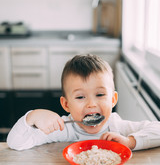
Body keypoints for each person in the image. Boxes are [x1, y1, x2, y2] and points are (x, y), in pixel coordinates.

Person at [7, 54, 160, 151]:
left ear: (113, 99)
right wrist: (32, 117)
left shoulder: (116, 126)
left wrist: (130, 141)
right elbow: (15, 143)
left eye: (100, 94)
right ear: (66, 105)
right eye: (80, 97)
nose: (91, 104)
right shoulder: (63, 128)